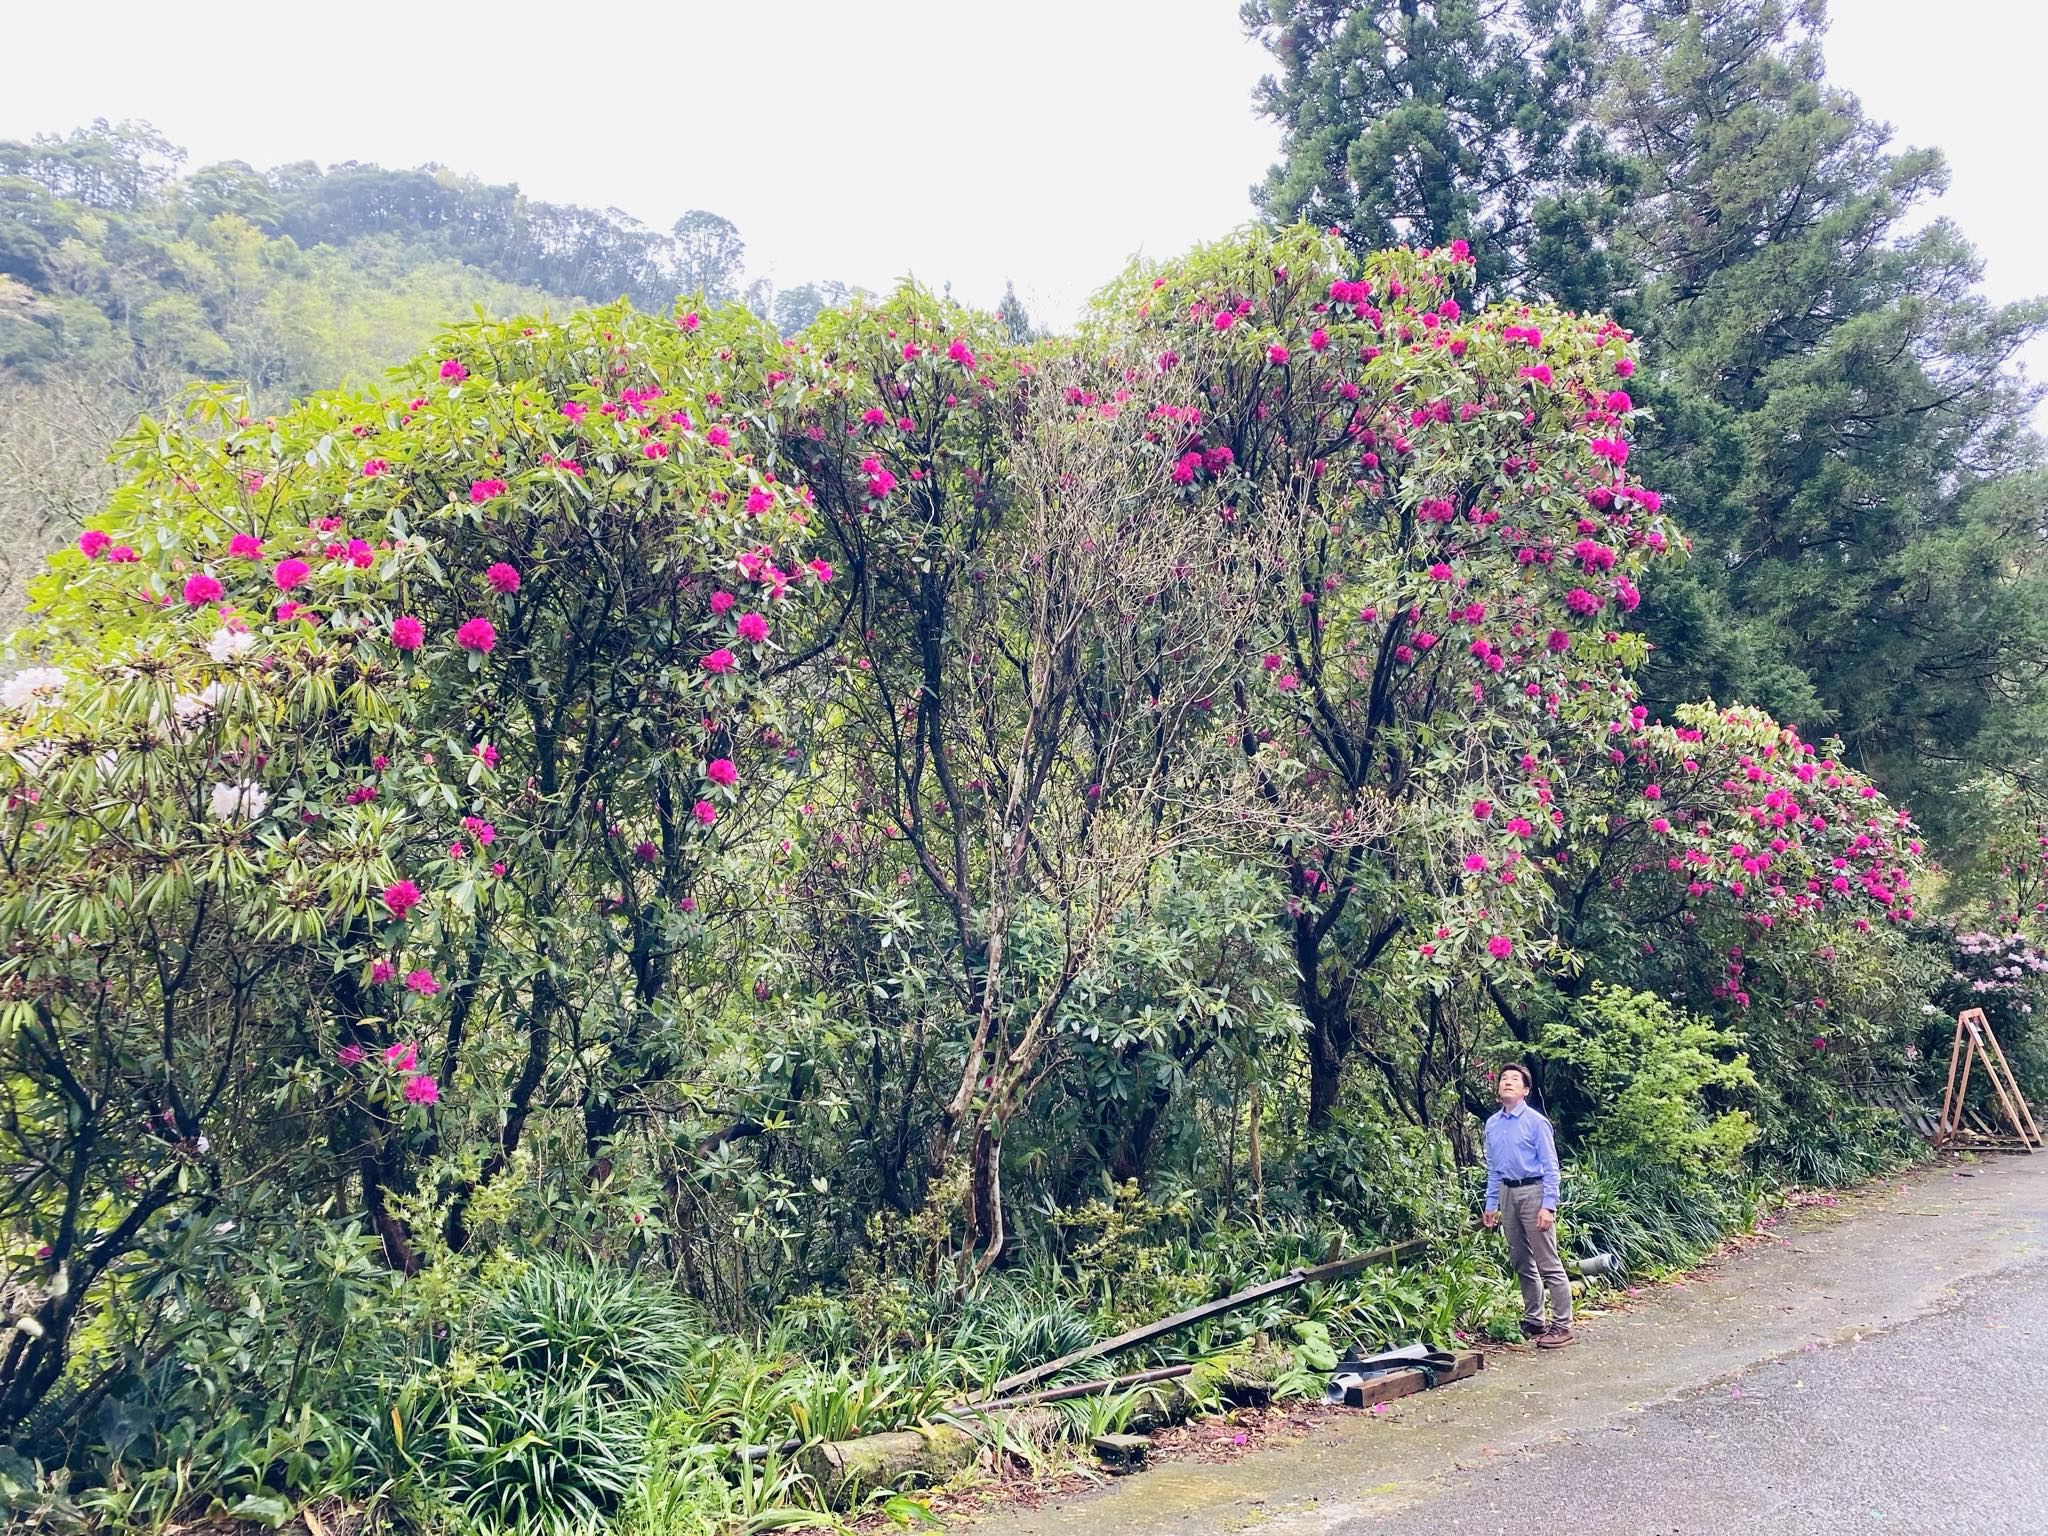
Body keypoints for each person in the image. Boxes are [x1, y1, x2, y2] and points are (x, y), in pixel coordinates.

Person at [1480, 1063, 1574, 1348]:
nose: (1507, 1082)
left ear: (1525, 1090)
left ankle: (1563, 1326)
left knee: (1548, 1261)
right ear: (1498, 1089)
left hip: (1534, 1191)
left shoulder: (1536, 1122)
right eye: (1504, 1079)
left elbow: (1551, 1167)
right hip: (1508, 1193)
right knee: (1521, 1260)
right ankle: (1535, 1319)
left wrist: (1549, 1206)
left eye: (1515, 1079)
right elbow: (1494, 1169)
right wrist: (1490, 1204)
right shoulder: (1492, 1124)